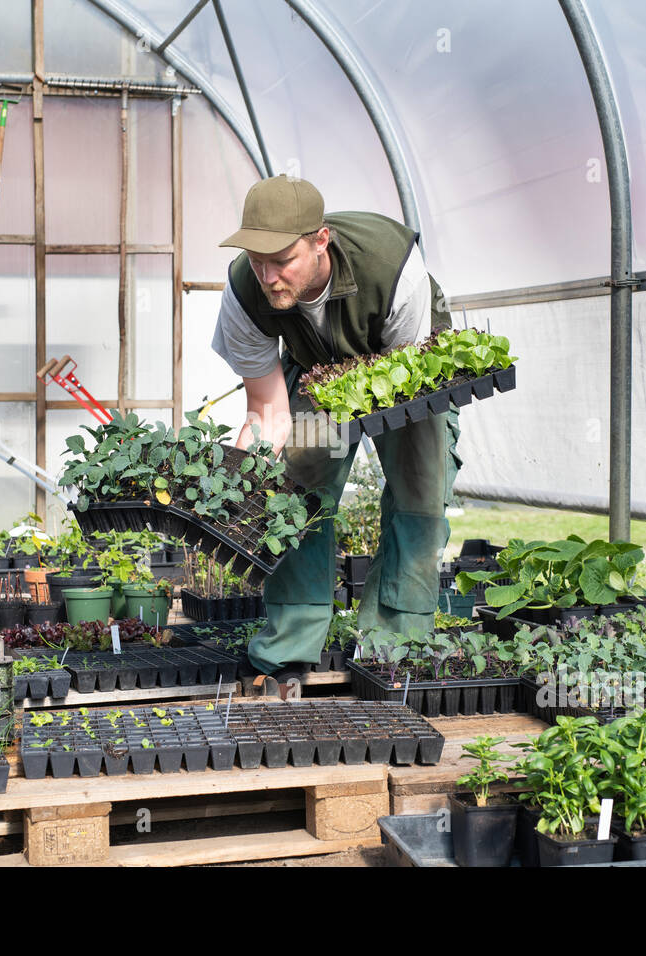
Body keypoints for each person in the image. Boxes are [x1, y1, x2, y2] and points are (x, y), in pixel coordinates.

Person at [211, 174, 461, 697]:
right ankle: (288, 650)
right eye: (258, 261)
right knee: (292, 492)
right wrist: (246, 482)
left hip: (407, 368)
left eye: (282, 260)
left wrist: (372, 414)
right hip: (318, 371)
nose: (269, 276)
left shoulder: (392, 269)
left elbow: (409, 387)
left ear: (320, 241)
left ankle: (395, 646)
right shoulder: (243, 292)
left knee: (421, 496)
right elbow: (267, 409)